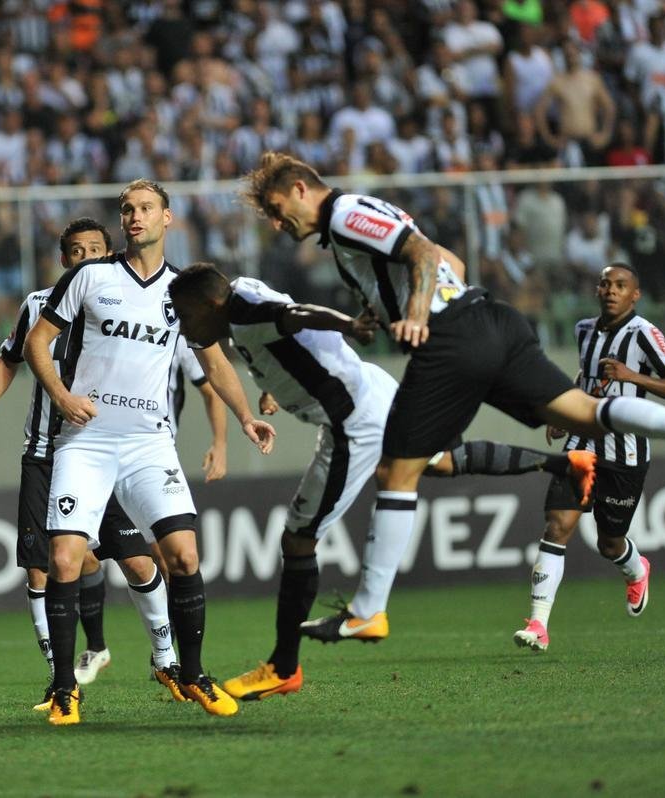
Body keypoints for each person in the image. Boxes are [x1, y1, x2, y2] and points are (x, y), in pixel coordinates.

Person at [238, 152, 665, 641]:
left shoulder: (345, 213)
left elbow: (418, 252)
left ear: (300, 189)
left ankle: (369, 610)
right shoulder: (360, 216)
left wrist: (417, 312)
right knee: (586, 413)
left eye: (280, 213)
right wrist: (400, 306)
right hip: (491, 321)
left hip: (450, 338)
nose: (281, 227)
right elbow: (449, 261)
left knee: (397, 471)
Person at [167, 265, 596, 700]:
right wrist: (278, 381)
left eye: (185, 316)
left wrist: (348, 323)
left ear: (210, 304)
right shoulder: (240, 292)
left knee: (298, 539)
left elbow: (295, 314)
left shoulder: (244, 308)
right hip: (373, 386)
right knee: (441, 461)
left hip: (353, 423)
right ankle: (566, 465)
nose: (185, 328)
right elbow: (286, 333)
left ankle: (283, 666)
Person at [22, 179, 276, 725]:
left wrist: (245, 417)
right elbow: (35, 342)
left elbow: (215, 364)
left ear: (168, 217)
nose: (135, 217)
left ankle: (192, 673)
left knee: (183, 554)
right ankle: (66, 689)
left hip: (147, 444)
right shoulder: (90, 276)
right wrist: (62, 396)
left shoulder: (182, 292)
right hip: (86, 443)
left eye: (145, 208)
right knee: (65, 560)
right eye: (127, 210)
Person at [0, 217, 227, 710]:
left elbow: (205, 361)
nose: (86, 259)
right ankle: (63, 677)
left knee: (141, 560)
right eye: (76, 251)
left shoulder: (130, 298)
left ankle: (165, 660)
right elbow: (9, 361)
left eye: (96, 250)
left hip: (113, 451)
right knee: (48, 568)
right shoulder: (41, 306)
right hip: (48, 454)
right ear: (64, 259)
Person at [515, 263, 665, 652]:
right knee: (557, 527)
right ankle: (538, 625)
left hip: (625, 451)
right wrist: (565, 413)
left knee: (611, 543)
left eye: (621, 285)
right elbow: (586, 378)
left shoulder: (645, 334)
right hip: (581, 443)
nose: (611, 290)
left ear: (634, 295)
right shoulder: (584, 330)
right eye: (606, 284)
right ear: (598, 290)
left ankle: (636, 568)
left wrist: (632, 376)